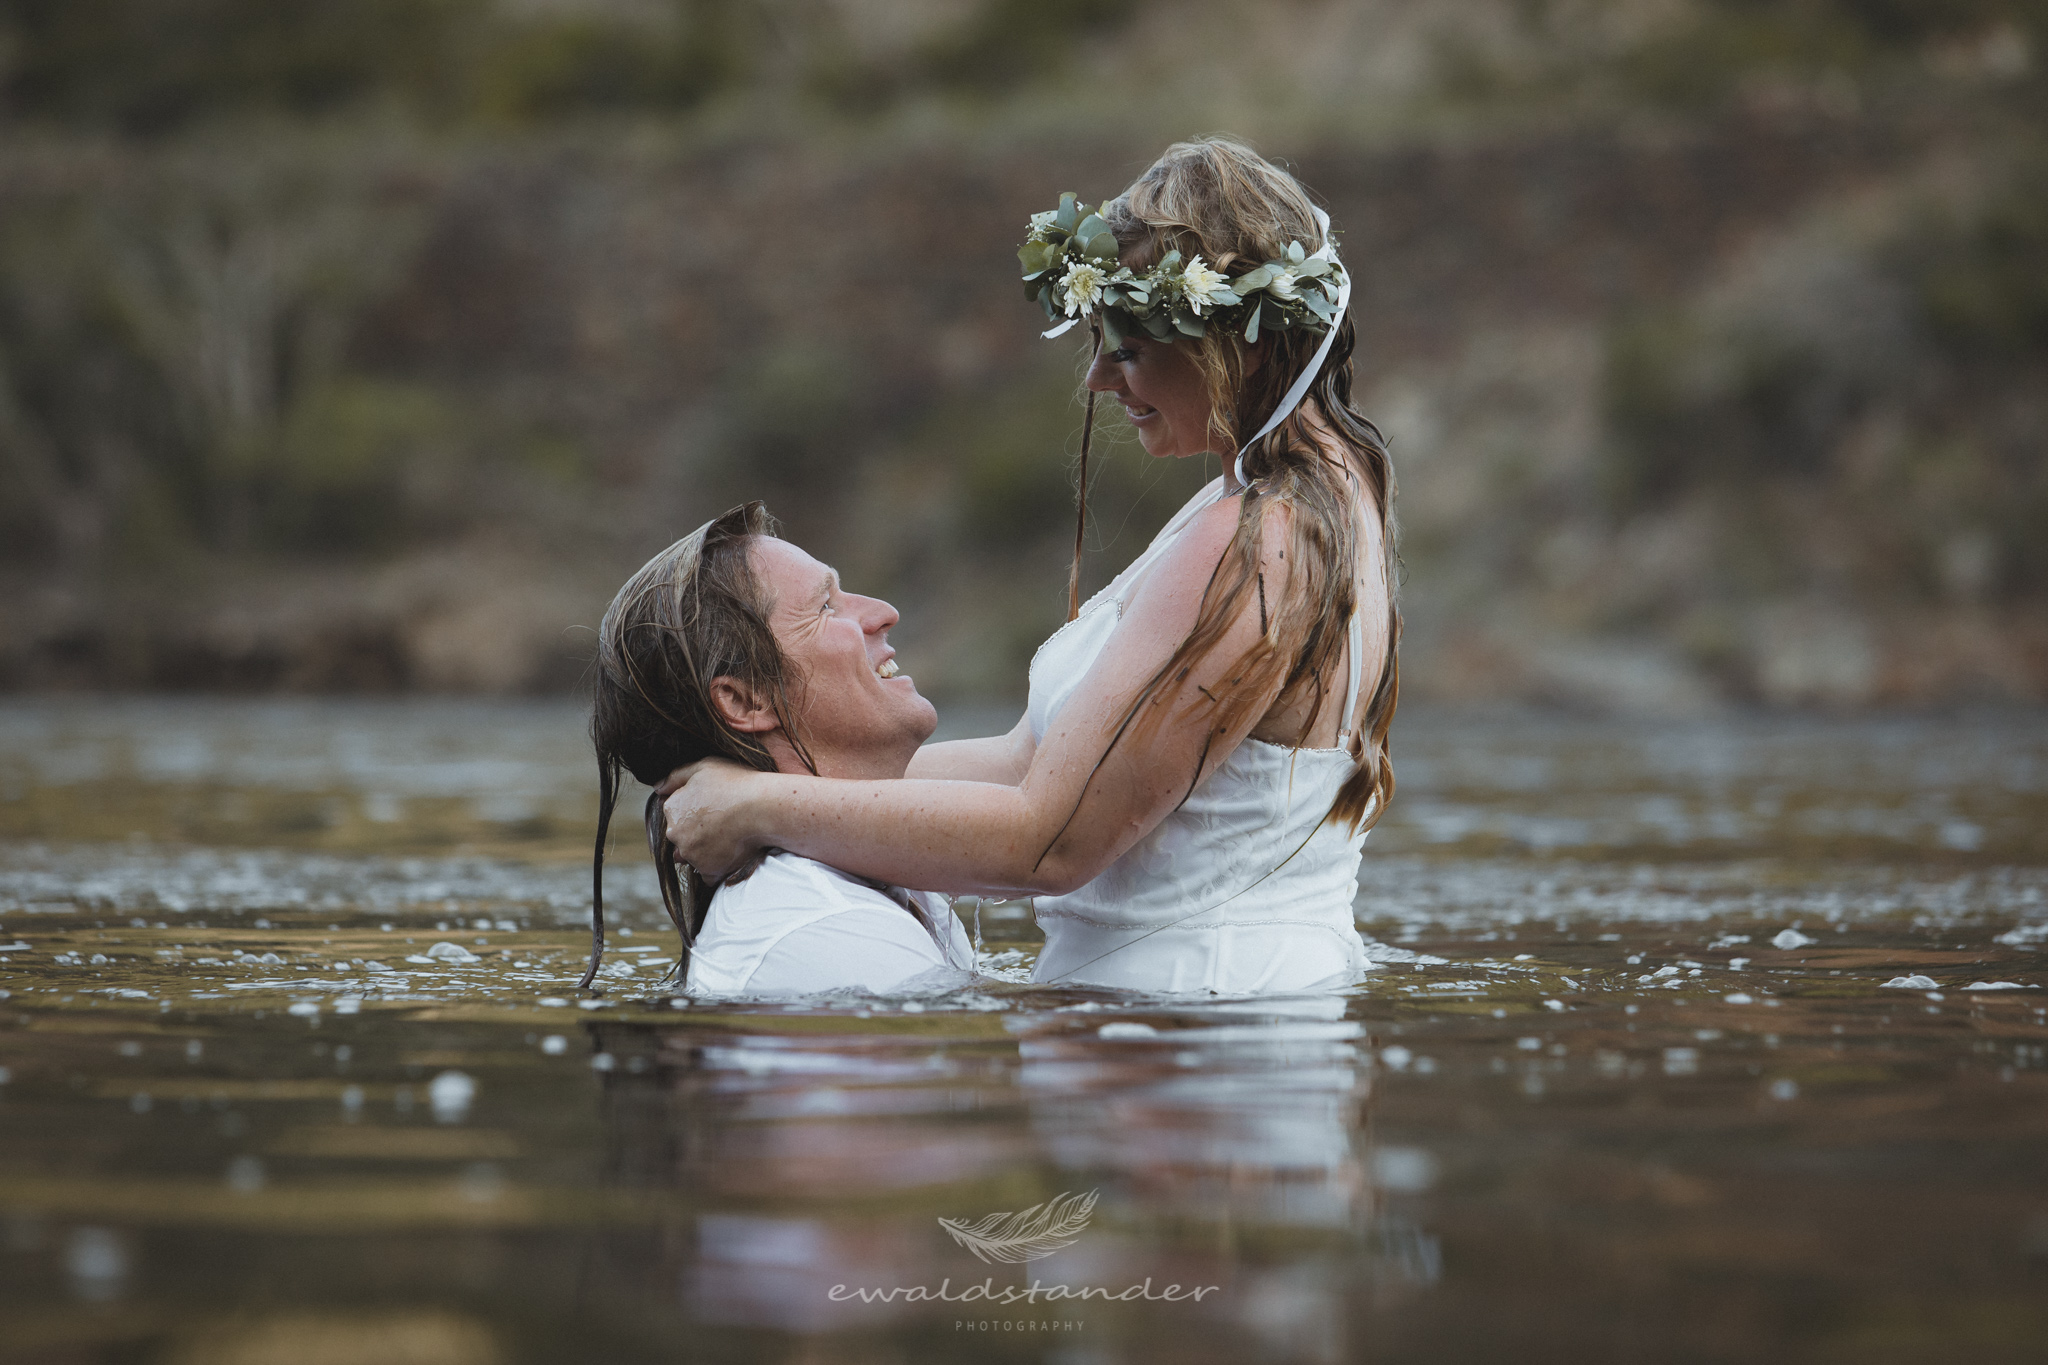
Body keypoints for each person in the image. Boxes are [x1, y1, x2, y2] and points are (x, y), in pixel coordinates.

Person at [662, 138, 1400, 995]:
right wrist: (759, 771)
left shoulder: (1257, 541)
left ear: (1245, 343)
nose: (1098, 380)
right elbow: (1030, 761)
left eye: (1128, 349)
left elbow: (1052, 842)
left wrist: (758, 808)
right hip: (1211, 1014)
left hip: (1193, 1024)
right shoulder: (1307, 502)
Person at [586, 502, 974, 998]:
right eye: (826, 607)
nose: (884, 613)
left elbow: (1031, 776)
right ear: (745, 700)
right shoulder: (834, 937)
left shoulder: (857, 879)